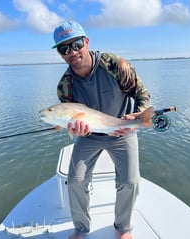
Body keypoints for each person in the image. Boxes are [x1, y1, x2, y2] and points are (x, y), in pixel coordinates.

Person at [52, 20, 151, 239]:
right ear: (60, 53)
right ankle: (81, 228)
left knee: (130, 182)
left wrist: (137, 115)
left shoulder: (114, 64)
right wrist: (78, 130)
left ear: (86, 42)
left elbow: (142, 95)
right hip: (90, 137)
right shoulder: (65, 85)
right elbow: (71, 121)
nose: (72, 52)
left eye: (76, 44)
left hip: (121, 131)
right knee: (75, 181)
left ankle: (123, 228)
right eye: (64, 48)